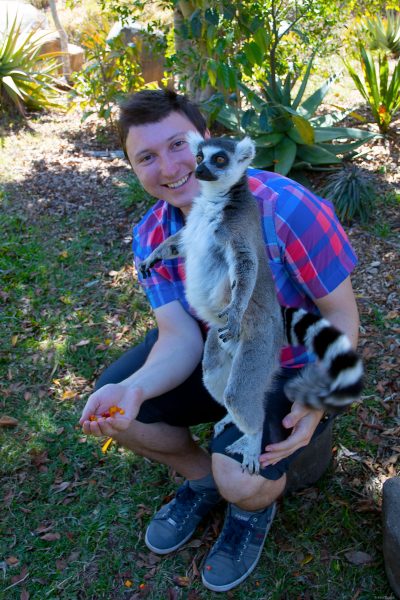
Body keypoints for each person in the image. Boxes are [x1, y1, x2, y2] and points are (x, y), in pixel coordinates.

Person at [80, 89, 360, 593]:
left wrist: (317, 399)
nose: (168, 167)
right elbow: (178, 336)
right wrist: (138, 390)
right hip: (217, 348)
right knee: (119, 405)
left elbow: (340, 316)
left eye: (178, 145)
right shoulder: (151, 236)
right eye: (147, 157)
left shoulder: (287, 208)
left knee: (244, 480)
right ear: (132, 168)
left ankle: (247, 502)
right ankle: (205, 478)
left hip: (291, 360)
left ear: (208, 141)